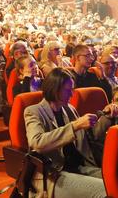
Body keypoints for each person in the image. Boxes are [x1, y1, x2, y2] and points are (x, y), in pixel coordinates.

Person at [24, 68, 106, 198]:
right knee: (104, 191)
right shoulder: (33, 111)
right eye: (68, 90)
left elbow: (89, 138)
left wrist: (106, 118)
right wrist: (75, 126)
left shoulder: (68, 109)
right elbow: (37, 143)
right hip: (54, 174)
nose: (72, 95)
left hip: (79, 167)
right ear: (55, 90)